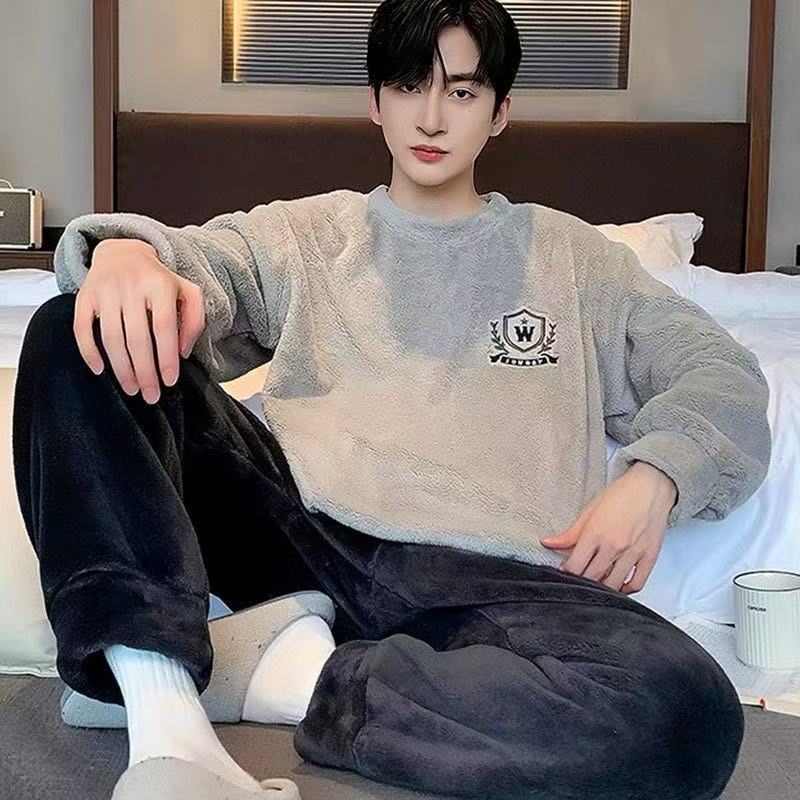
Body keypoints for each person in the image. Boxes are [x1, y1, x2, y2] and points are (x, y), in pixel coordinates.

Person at [13, 1, 772, 798]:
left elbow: (720, 370)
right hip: (305, 540)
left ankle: (286, 674)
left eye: (463, 92)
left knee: (688, 713)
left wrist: (659, 475)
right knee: (76, 328)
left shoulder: (578, 262)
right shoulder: (309, 236)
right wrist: (128, 254)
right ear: (375, 101)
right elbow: (200, 265)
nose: (432, 117)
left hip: (495, 589)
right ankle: (159, 699)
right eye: (409, 87)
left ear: (500, 112)